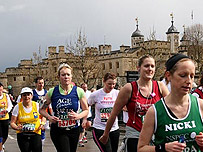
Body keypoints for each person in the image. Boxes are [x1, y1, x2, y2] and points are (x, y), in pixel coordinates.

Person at [100, 55, 169, 152]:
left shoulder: (160, 86)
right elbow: (114, 113)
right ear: (138, 68)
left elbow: (171, 108)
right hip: (135, 133)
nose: (150, 69)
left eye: (152, 66)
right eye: (146, 66)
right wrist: (106, 134)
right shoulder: (129, 88)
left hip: (155, 134)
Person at [138, 54, 203, 152]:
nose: (188, 81)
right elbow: (141, 148)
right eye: (183, 75)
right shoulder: (154, 111)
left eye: (192, 76)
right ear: (168, 75)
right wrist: (163, 148)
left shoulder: (200, 105)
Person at [39, 63, 88, 152]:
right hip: (58, 130)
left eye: (68, 74)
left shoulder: (78, 91)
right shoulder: (52, 92)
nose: (66, 77)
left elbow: (86, 110)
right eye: (63, 75)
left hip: (74, 129)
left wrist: (78, 116)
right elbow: (41, 109)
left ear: (71, 76)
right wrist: (49, 117)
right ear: (58, 77)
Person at [88, 72, 120, 152]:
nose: (111, 86)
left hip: (114, 129)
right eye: (109, 84)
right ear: (104, 81)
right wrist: (86, 119)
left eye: (114, 84)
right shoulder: (95, 94)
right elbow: (86, 105)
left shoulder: (117, 93)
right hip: (100, 128)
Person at [10, 87, 42, 152]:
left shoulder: (36, 105)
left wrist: (42, 124)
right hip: (22, 134)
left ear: (31, 96)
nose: (26, 97)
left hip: (35, 132)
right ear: (21, 96)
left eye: (28, 95)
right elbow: (12, 122)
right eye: (24, 95)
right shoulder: (17, 107)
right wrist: (17, 127)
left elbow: (43, 116)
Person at [32, 77, 50, 146]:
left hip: (44, 114)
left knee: (42, 130)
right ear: (36, 84)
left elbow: (49, 105)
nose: (41, 85)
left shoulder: (47, 93)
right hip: (35, 114)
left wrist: (50, 115)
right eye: (39, 83)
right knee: (36, 130)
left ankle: (40, 146)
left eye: (42, 83)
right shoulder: (33, 93)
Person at [0, 83, 13, 152]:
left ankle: (1, 144)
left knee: (5, 135)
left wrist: (7, 110)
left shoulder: (6, 96)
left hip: (5, 118)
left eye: (1, 90)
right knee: (0, 134)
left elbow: (10, 105)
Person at [78, 83, 92, 147]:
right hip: (81, 112)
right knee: (82, 126)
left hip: (88, 112)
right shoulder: (79, 93)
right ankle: (80, 139)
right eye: (83, 88)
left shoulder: (89, 93)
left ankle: (84, 133)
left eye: (86, 87)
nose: (85, 89)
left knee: (89, 125)